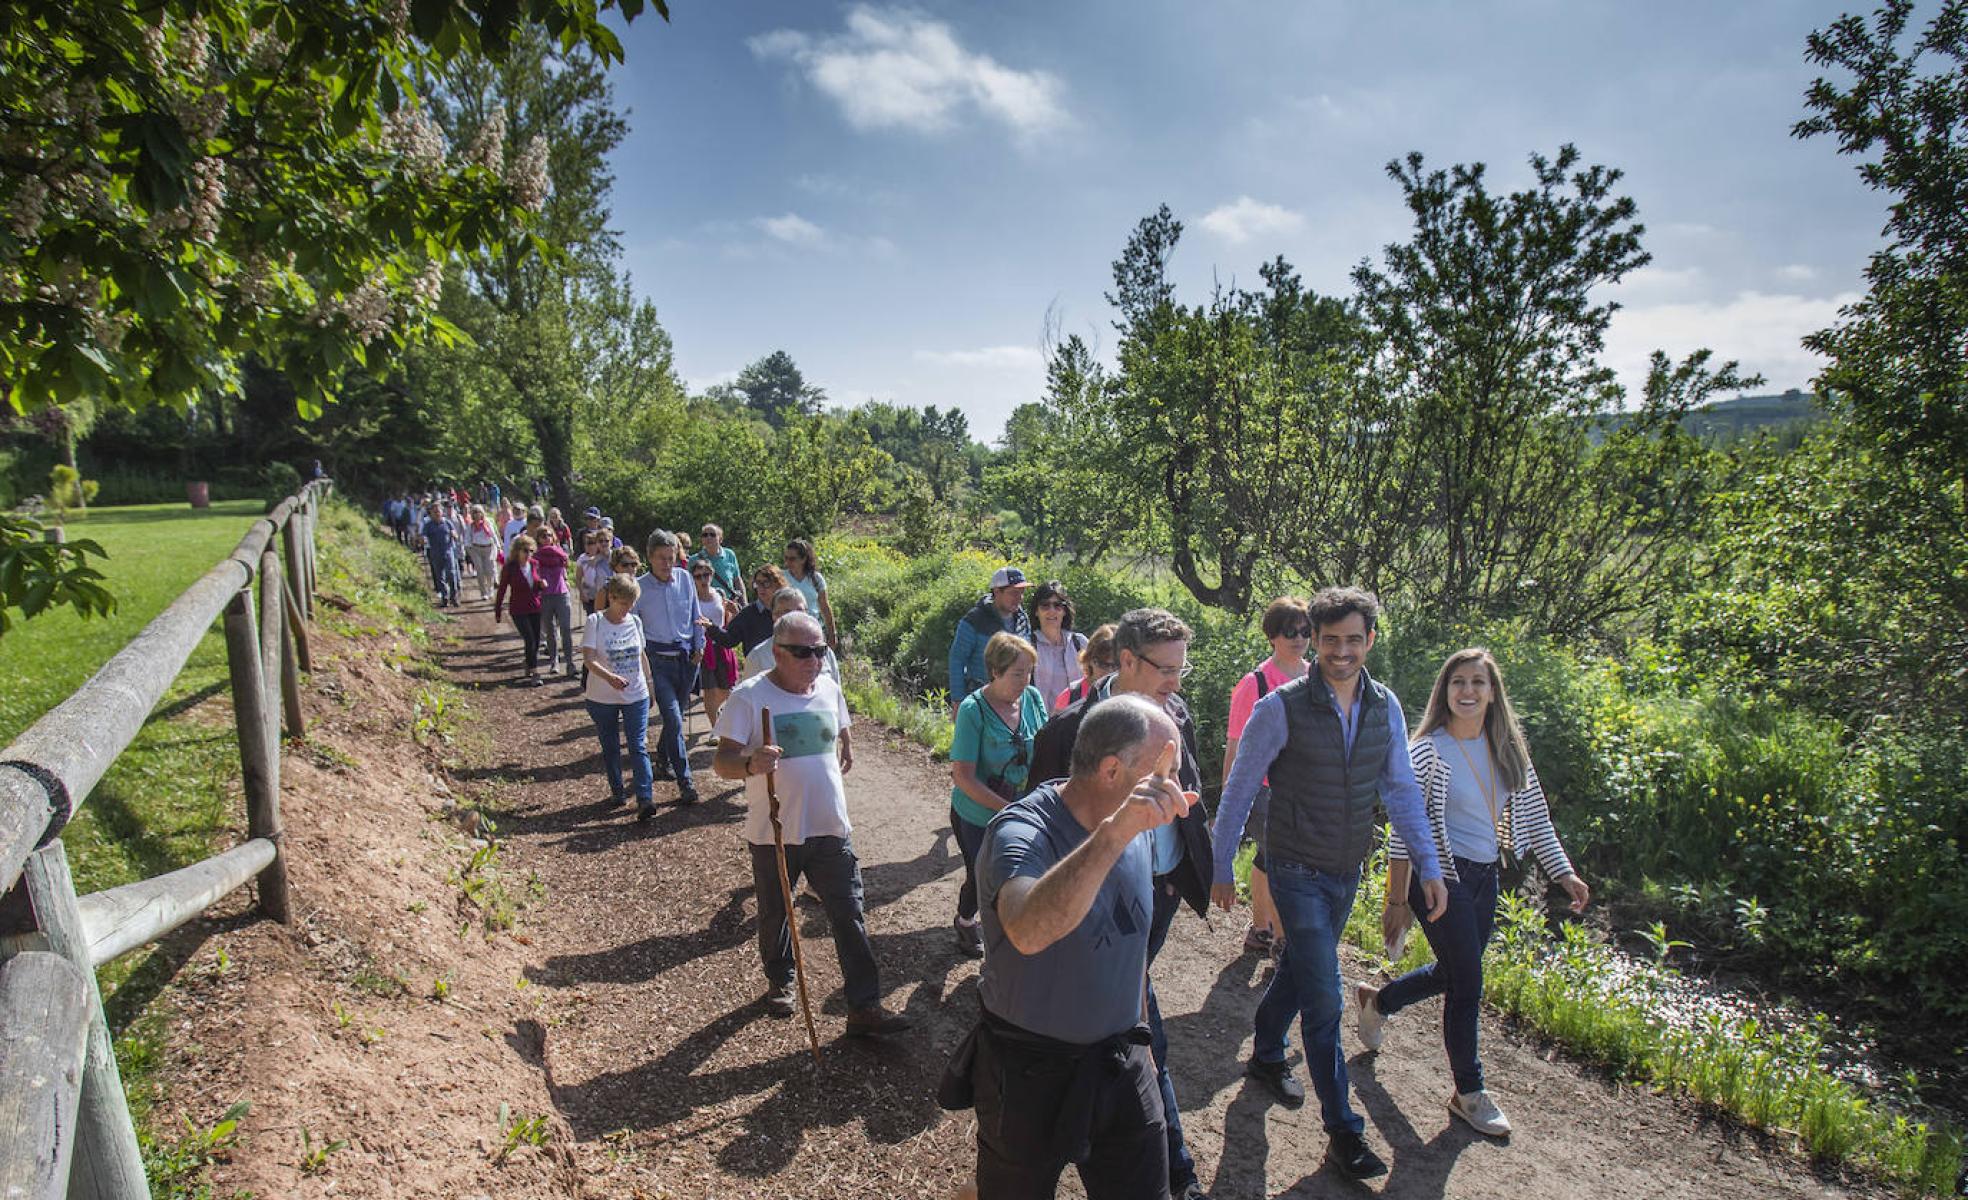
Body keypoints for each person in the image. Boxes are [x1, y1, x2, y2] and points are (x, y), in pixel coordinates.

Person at [1211, 586, 1447, 1181]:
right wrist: (1219, 866)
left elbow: (1399, 790)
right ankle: (1344, 1130)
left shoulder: (1385, 706)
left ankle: (1266, 1052)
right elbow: (1239, 790)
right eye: (1330, 639)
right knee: (1325, 996)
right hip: (1293, 869)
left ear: (1370, 640)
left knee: (1299, 972)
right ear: (1313, 640)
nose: (1342, 651)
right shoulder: (1281, 707)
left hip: (1346, 870)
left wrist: (1430, 866)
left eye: (1353, 640)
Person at [958, 693, 1193, 1198]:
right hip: (1026, 1071)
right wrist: (1114, 835)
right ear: (1112, 770)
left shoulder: (1139, 827)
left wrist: (1145, 1042)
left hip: (1121, 1060)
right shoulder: (1020, 831)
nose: (1173, 787)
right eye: (1163, 771)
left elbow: (1130, 950)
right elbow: (1027, 930)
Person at [1359, 647, 1590, 1138]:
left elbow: (1537, 820)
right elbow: (1403, 830)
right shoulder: (1428, 752)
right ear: (1444, 691)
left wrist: (1563, 873)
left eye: (1477, 683)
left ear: (1492, 693)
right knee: (1469, 983)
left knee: (1453, 972)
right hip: (1437, 878)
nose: (1467, 691)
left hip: (1486, 877)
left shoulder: (1507, 749)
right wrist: (1396, 901)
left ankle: (1380, 1002)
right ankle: (1470, 1092)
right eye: (1458, 682)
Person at [1026, 608, 1212, 1200]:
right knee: (1140, 1024)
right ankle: (1169, 1165)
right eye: (1165, 669)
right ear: (1125, 660)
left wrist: (1187, 871)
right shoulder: (1068, 730)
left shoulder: (1176, 714)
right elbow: (1038, 823)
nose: (1176, 684)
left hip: (1160, 890)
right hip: (1095, 901)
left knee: (1126, 1010)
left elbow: (1192, 789)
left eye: (1182, 670)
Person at [711, 612, 912, 1036]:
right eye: (803, 652)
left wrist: (848, 745)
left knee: (850, 913)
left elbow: (841, 729)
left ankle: (864, 1006)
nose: (814, 660)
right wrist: (749, 762)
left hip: (831, 828)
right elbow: (721, 762)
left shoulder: (828, 688)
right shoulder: (749, 697)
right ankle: (780, 979)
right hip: (775, 831)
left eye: (820, 651)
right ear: (777, 653)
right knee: (775, 912)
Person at [1221, 597, 1313, 958]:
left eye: (1306, 631)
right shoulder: (1255, 684)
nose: (1299, 638)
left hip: (1304, 790)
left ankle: (1261, 928)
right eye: (1291, 631)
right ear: (1273, 635)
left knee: (1269, 857)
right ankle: (1280, 941)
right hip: (1264, 790)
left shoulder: (1316, 678)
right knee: (1282, 862)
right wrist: (1230, 800)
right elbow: (1235, 744)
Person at [947, 633, 1046, 959]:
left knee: (1018, 880)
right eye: (1017, 673)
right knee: (982, 880)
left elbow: (1044, 749)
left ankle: (1008, 946)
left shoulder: (1031, 698)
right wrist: (1008, 809)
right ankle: (965, 921)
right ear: (994, 671)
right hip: (977, 815)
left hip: (1021, 811)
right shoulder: (973, 710)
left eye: (1028, 671)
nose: (1024, 680)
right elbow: (962, 776)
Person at [630, 530, 705, 804]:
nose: (666, 563)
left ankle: (663, 756)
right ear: (649, 557)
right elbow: (635, 630)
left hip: (687, 660)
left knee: (675, 720)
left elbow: (697, 615)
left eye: (671, 558)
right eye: (661, 558)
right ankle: (687, 783)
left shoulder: (685, 579)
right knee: (674, 719)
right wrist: (642, 668)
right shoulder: (639, 587)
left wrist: (700, 646)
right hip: (657, 661)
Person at [582, 573, 656, 818]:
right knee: (611, 746)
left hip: (636, 694)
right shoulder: (595, 621)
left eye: (631, 603)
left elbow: (641, 655)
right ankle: (617, 789)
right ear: (611, 597)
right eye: (623, 602)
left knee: (638, 746)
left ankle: (645, 798)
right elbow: (589, 660)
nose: (627, 608)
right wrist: (609, 678)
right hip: (602, 697)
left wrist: (650, 682)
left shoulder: (634, 622)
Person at [949, 567, 1034, 712]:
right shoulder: (974, 620)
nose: (1019, 598)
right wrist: (958, 701)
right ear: (996, 591)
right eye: (1013, 593)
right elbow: (957, 660)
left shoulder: (1022, 620)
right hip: (981, 702)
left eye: (1021, 593)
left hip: (1016, 702)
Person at [741, 588, 840, 684]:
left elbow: (836, 694)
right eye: (787, 612)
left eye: (800, 611)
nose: (795, 616)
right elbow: (748, 696)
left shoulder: (823, 652)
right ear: (774, 616)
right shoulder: (758, 657)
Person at [691, 557, 739, 727]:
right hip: (703, 647)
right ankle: (715, 727)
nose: (703, 579)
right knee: (710, 690)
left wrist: (733, 612)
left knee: (727, 690)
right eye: (698, 576)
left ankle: (715, 711)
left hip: (721, 642)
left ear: (711, 575)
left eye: (706, 574)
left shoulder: (720, 594)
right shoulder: (691, 598)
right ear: (693, 578)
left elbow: (726, 620)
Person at [1027, 580, 1086, 715]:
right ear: (1036, 611)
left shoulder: (1080, 643)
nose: (1051, 611)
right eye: (1045, 606)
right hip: (1040, 725)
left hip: (1076, 723)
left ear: (1065, 611)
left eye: (1057, 605)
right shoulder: (1027, 645)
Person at [493, 534, 546, 685]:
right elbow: (502, 589)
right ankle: (535, 672)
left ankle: (529, 663)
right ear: (517, 551)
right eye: (525, 550)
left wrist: (541, 584)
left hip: (535, 607)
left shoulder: (534, 564)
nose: (528, 554)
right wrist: (497, 610)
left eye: (530, 551)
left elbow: (536, 584)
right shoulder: (510, 568)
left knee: (535, 640)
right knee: (529, 638)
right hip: (518, 609)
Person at [708, 565, 788, 659]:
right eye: (758, 583)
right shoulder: (748, 613)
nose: (761, 588)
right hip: (757, 668)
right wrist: (710, 627)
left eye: (766, 583)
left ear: (777, 584)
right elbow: (729, 640)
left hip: (784, 666)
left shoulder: (786, 611)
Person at [534, 527, 575, 678]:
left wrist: (566, 579)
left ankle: (570, 663)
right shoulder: (536, 556)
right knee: (550, 631)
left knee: (565, 629)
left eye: (549, 535)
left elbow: (566, 565)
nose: (546, 538)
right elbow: (533, 575)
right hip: (545, 596)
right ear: (538, 539)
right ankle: (554, 661)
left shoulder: (559, 553)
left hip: (561, 594)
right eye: (543, 536)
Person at [781, 538, 837, 647]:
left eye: (792, 559)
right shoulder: (781, 578)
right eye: (786, 558)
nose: (787, 562)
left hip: (814, 630)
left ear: (803, 559)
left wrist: (832, 634)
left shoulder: (816, 579)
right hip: (789, 632)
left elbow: (825, 606)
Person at [1055, 623, 1117, 711]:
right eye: (1102, 664)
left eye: (1117, 666)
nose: (1110, 671)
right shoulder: (1071, 696)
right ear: (1089, 659)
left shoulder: (1135, 696)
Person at [416, 501, 460, 607]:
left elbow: (456, 535)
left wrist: (454, 535)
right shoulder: (428, 525)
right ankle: (445, 597)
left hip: (448, 552)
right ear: (430, 513)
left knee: (452, 574)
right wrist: (422, 540)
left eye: (438, 511)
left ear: (442, 512)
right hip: (435, 554)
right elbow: (422, 537)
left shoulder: (447, 523)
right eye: (434, 511)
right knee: (440, 577)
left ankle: (454, 597)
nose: (437, 513)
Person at [691, 523, 746, 603]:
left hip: (729, 604)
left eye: (712, 535)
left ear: (720, 539)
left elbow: (737, 580)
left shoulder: (730, 554)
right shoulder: (694, 560)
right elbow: (689, 585)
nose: (708, 537)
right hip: (705, 604)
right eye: (705, 535)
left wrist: (744, 603)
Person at [464, 505, 499, 601]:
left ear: (482, 513)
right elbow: (467, 538)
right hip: (476, 549)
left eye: (478, 512)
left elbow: (493, 534)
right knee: (480, 571)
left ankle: (490, 589)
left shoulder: (487, 523)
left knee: (489, 570)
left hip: (488, 548)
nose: (477, 514)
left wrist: (498, 546)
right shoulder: (471, 526)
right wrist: (468, 549)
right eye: (474, 512)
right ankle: (483, 592)